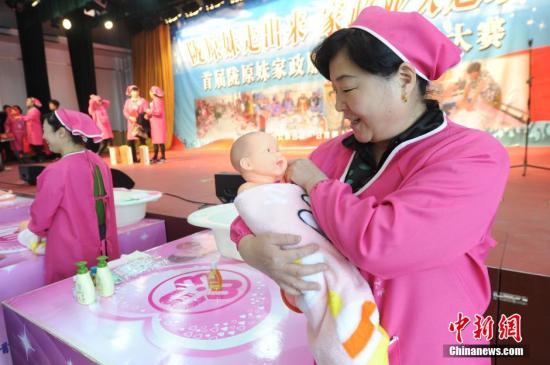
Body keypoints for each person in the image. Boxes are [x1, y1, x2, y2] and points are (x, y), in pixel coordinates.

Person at [230, 6, 509, 365]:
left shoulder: (473, 156)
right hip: (345, 348)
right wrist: (250, 248)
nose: (339, 106)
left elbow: (386, 244)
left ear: (405, 79)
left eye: (347, 88)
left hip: (433, 347)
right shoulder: (330, 154)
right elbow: (267, 207)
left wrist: (318, 186)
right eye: (334, 91)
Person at [231, 131, 388, 365]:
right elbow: (254, 217)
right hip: (313, 261)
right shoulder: (259, 191)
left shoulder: (453, 152)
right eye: (269, 150)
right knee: (328, 298)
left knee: (339, 295)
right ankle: (347, 345)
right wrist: (247, 245)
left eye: (276, 148)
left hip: (391, 302)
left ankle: (351, 343)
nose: (278, 154)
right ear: (247, 164)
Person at [23, 109, 120, 283]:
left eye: (46, 131)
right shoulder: (99, 162)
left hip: (71, 251)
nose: (44, 137)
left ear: (61, 133)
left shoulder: (56, 171)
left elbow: (41, 217)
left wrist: (31, 229)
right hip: (104, 246)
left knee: (73, 295)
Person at [123, 85, 147, 162]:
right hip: (131, 123)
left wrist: (139, 118)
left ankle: (143, 158)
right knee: (130, 142)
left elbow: (146, 111)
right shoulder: (128, 101)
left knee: (142, 141)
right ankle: (133, 159)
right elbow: (125, 111)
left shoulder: (143, 101)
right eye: (133, 91)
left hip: (140, 123)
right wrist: (130, 117)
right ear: (130, 92)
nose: (135, 92)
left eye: (136, 91)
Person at [18, 97, 44, 162]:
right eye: (26, 101)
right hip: (31, 130)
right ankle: (37, 157)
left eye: (28, 101)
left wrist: (20, 117)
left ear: (32, 103)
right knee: (33, 145)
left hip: (35, 130)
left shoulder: (35, 110)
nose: (26, 102)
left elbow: (29, 117)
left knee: (37, 144)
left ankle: (41, 157)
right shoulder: (30, 110)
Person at [145, 86, 167, 163]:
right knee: (155, 141)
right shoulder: (154, 100)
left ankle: (163, 157)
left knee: (160, 140)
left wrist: (149, 111)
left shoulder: (157, 100)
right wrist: (147, 115)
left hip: (158, 123)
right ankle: (155, 156)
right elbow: (154, 112)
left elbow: (158, 112)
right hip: (154, 123)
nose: (149, 93)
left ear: (153, 92)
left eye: (150, 92)